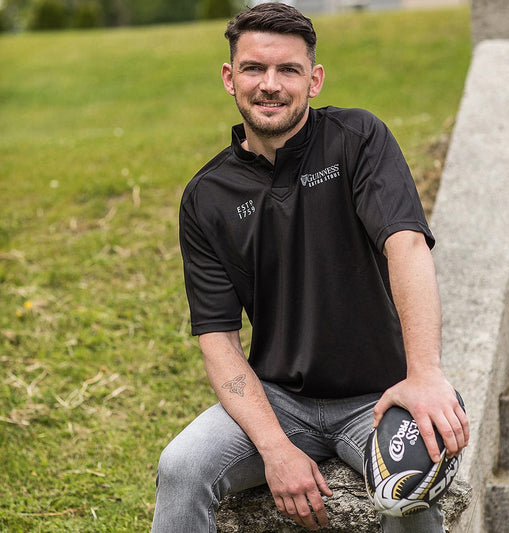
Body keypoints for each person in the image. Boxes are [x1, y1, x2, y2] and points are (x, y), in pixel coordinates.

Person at [151, 3, 469, 532]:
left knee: (411, 494)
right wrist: (276, 450)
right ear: (230, 78)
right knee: (181, 467)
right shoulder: (207, 197)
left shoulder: (358, 139)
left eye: (288, 70)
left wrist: (425, 376)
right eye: (254, 68)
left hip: (380, 398)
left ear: (314, 79)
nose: (269, 85)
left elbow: (407, 246)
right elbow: (218, 341)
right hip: (279, 401)